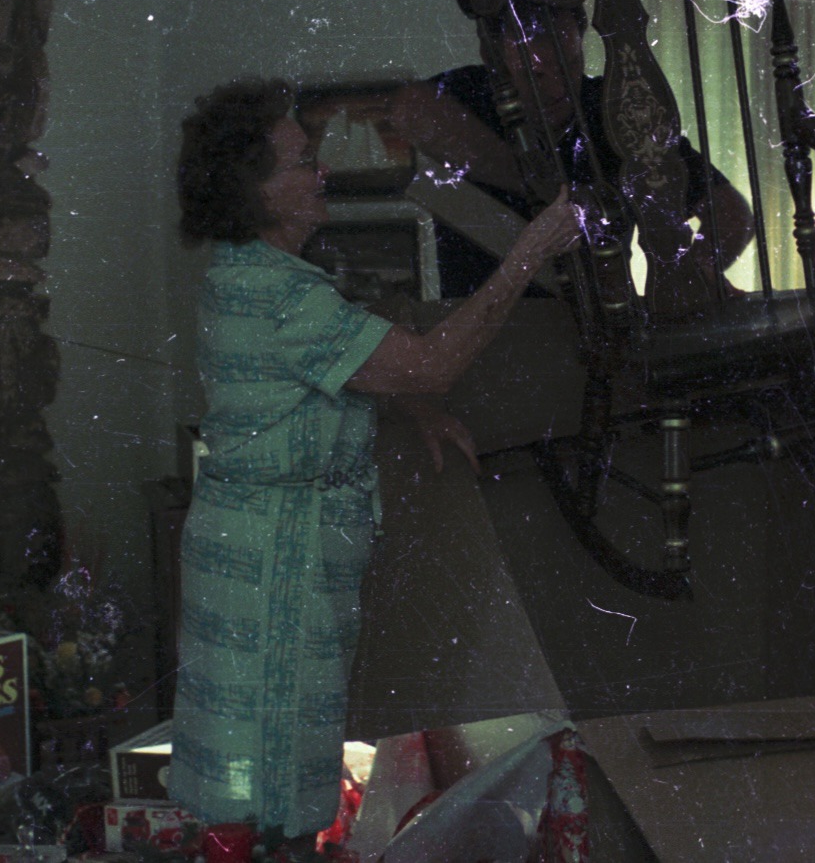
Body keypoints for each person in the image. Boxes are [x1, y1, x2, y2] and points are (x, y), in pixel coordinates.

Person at [168, 78, 582, 844]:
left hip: (276, 551)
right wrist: (529, 251)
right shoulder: (275, 294)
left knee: (272, 767)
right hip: (271, 564)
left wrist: (410, 406)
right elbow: (429, 363)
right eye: (299, 163)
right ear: (253, 193)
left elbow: (359, 373)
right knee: (264, 784)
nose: (319, 173)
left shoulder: (265, 280)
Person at [356, 0, 755, 297]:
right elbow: (408, 107)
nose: (555, 85)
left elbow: (730, 211)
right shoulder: (469, 93)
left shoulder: (614, 109)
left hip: (602, 314)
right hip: (487, 326)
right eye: (533, 70)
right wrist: (544, 189)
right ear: (495, 56)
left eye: (569, 61)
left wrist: (692, 272)